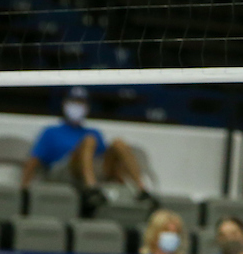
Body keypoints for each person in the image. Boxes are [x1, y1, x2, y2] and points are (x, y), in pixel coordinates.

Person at [22, 87, 153, 213]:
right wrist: (24, 189)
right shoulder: (51, 132)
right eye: (73, 101)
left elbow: (105, 163)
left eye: (81, 102)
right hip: (63, 171)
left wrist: (119, 178)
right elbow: (34, 160)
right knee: (89, 140)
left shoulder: (94, 132)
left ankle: (141, 190)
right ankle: (91, 190)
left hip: (92, 170)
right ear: (64, 104)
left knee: (119, 143)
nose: (77, 106)